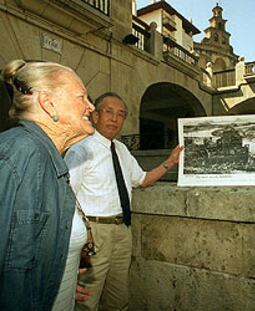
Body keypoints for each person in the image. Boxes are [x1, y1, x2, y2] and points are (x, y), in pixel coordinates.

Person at [65, 92, 183, 311]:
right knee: (86, 300)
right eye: (108, 112)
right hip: (94, 234)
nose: (115, 119)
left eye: (121, 114)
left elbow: (142, 179)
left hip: (122, 231)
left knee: (118, 297)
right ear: (95, 116)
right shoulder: (81, 150)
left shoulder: (121, 149)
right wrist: (76, 243)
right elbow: (66, 197)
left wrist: (171, 162)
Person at [0, 59, 95, 311]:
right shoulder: (22, 153)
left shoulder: (46, 157)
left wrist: (56, 279)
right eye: (82, 97)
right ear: (47, 102)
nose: (91, 106)